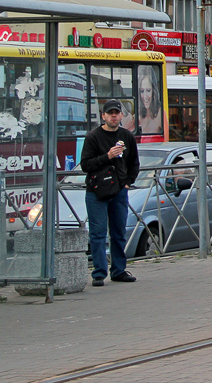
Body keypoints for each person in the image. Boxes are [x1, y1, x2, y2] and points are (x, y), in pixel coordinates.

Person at [79, 99, 140, 286]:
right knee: (97, 233)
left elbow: (134, 163)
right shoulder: (93, 137)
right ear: (103, 116)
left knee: (119, 232)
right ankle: (98, 273)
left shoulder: (126, 136)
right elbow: (86, 165)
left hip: (119, 191)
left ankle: (119, 270)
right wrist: (108, 156)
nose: (114, 116)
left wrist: (128, 183)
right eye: (110, 113)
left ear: (121, 116)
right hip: (96, 191)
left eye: (117, 113)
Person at [136, 67, 164, 138]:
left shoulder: (161, 114)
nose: (145, 96)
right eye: (142, 91)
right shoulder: (139, 115)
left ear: (154, 91)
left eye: (148, 90)